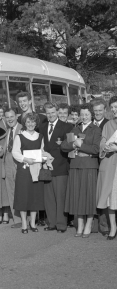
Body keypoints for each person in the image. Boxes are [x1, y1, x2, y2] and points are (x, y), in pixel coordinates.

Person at [61, 104, 101, 237]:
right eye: (82, 114)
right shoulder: (75, 128)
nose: (84, 117)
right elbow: (64, 146)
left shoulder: (95, 129)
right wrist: (73, 144)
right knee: (77, 196)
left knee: (88, 196)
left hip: (89, 167)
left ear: (91, 115)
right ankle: (80, 224)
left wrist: (81, 145)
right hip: (75, 166)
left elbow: (96, 149)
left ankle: (89, 224)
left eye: (87, 114)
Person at [39, 102, 72, 233]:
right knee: (49, 198)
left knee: (60, 197)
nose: (51, 115)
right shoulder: (42, 127)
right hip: (46, 167)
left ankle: (61, 224)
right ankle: (51, 223)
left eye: (53, 112)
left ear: (57, 112)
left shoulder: (67, 126)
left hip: (61, 167)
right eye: (48, 113)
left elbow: (70, 145)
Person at [12, 113, 45, 234]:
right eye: (28, 122)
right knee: (23, 196)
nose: (30, 124)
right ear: (24, 123)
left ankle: (32, 222)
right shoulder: (19, 137)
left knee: (34, 196)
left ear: (36, 123)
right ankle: (24, 224)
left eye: (33, 122)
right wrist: (26, 159)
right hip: (24, 170)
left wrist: (44, 158)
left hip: (36, 169)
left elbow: (42, 151)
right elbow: (15, 153)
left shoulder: (40, 136)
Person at [97, 96, 117, 240]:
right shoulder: (108, 125)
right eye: (113, 108)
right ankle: (113, 227)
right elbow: (102, 143)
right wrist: (105, 147)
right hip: (111, 164)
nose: (114, 110)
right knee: (111, 196)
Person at [90, 98, 109, 235]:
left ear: (105, 111)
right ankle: (94, 223)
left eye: (100, 110)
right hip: (90, 164)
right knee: (93, 194)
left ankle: (105, 225)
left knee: (104, 194)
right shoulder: (87, 124)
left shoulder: (109, 125)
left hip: (105, 163)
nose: (97, 113)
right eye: (95, 110)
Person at [3, 107, 23, 228]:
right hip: (8, 162)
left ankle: (27, 218)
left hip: (19, 162)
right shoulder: (7, 131)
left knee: (21, 190)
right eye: (7, 117)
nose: (9, 119)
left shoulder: (23, 128)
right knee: (11, 191)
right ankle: (17, 219)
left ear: (17, 116)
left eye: (11, 116)